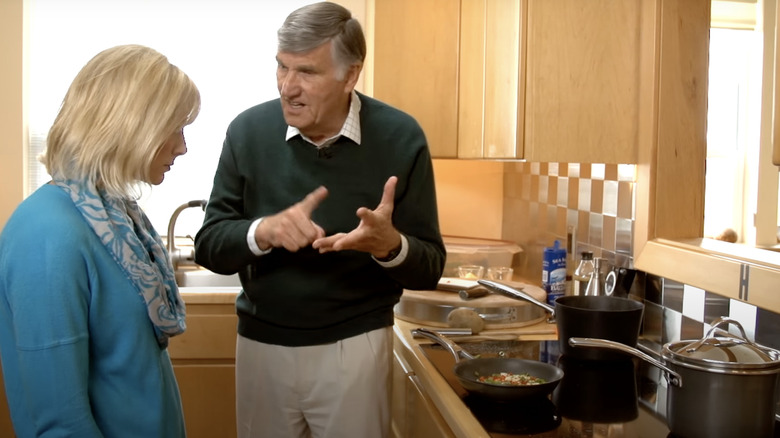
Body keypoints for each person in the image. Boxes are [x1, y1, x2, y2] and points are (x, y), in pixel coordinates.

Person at [194, 2, 446, 437]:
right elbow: (209, 244)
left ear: (350, 75)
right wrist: (264, 231)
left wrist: (389, 246)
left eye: (306, 72)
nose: (287, 87)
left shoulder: (401, 137)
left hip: (357, 347)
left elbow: (430, 266)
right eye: (281, 67)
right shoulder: (246, 132)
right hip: (262, 345)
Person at [0, 44, 200, 437]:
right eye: (174, 128)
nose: (182, 146)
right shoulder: (48, 234)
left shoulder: (113, 217)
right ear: (130, 125)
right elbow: (59, 420)